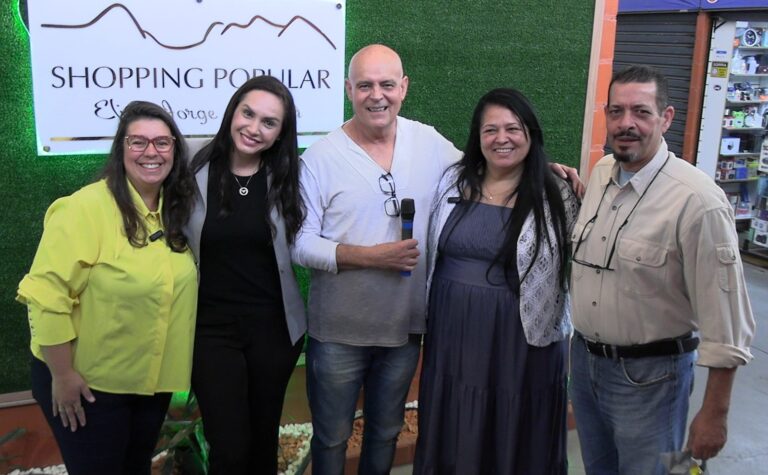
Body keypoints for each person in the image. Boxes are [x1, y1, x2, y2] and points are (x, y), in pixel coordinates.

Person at [569, 65, 756, 474]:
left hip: (652, 380)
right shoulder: (601, 174)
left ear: (666, 117)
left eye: (641, 112)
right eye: (616, 111)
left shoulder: (698, 201)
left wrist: (715, 413)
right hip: (585, 366)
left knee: (658, 471)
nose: (626, 123)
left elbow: (726, 321)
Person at [17, 101, 197, 475]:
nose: (151, 152)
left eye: (162, 142)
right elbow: (46, 296)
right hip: (87, 386)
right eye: (138, 141)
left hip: (149, 385)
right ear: (121, 149)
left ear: (175, 151)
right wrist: (62, 376)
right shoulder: (84, 209)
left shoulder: (174, 211)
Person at [414, 87, 579, 474]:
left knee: (514, 425)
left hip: (521, 342)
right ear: (478, 136)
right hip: (452, 336)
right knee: (454, 419)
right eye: (490, 130)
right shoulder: (451, 181)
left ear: (530, 134)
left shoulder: (557, 193)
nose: (501, 138)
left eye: (512, 128)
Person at [185, 75, 306, 474]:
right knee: (230, 448)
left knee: (262, 444)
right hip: (209, 331)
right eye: (248, 113)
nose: (254, 128)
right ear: (232, 112)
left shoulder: (290, 177)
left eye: (269, 122)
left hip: (273, 331)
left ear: (280, 133)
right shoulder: (192, 161)